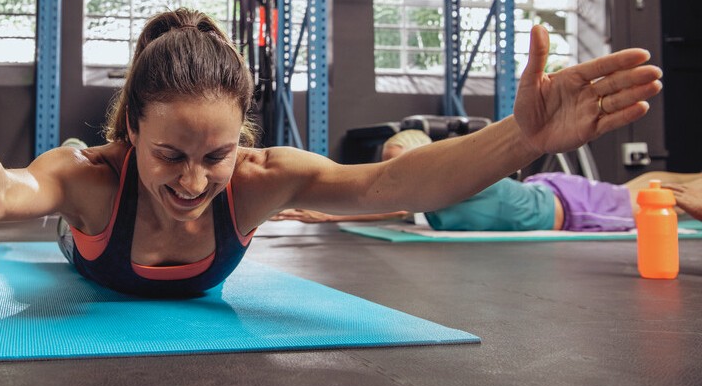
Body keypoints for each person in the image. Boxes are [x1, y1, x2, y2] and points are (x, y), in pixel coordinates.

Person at [0, 8, 662, 297]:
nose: (192, 180)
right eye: (169, 153)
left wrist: (523, 136)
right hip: (83, 222)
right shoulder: (94, 177)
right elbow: (0, 194)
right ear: (132, 135)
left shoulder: (254, 184)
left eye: (214, 154)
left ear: (241, 141)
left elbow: (394, 179)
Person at [274, 129, 702, 231]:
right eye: (390, 167)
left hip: (569, 208)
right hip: (550, 193)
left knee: (654, 202)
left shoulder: (445, 181)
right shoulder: (433, 200)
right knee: (638, 188)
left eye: (400, 165)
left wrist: (330, 214)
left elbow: (395, 204)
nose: (394, 176)